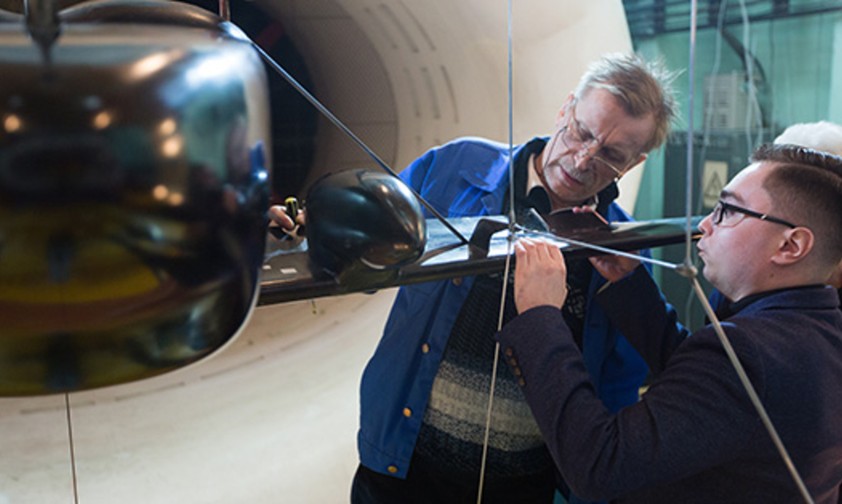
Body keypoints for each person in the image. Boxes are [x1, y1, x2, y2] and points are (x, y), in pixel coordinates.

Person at [270, 53, 676, 504]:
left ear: (635, 163)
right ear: (565, 107)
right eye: (582, 131)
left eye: (611, 155)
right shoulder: (454, 167)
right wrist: (303, 238)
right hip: (403, 468)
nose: (583, 159)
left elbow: (616, 385)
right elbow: (366, 262)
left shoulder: (620, 249)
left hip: (524, 486)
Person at [499, 143, 842, 502]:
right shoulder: (819, 327)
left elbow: (601, 464)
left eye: (727, 210)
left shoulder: (747, 353)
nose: (706, 225)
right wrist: (630, 287)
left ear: (791, 245)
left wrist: (541, 317)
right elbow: (706, 403)